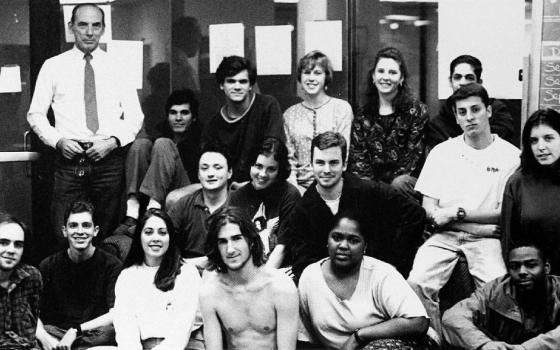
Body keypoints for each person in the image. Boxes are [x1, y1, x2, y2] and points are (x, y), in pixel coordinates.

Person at [407, 83, 520, 340]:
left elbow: (503, 211)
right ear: (456, 118)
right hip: (444, 238)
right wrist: (475, 226)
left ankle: (486, 344)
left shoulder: (511, 156)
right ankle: (434, 341)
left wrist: (456, 213)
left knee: (498, 286)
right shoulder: (442, 153)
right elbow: (430, 210)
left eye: (475, 109)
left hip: (486, 240)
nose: (470, 117)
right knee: (418, 282)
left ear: (489, 111)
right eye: (462, 112)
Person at [27, 3, 144, 244]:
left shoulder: (118, 66)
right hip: (71, 159)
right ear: (71, 28)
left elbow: (135, 115)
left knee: (107, 232)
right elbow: (35, 114)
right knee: (65, 230)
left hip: (108, 159)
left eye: (96, 26)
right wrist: (58, 141)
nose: (89, 32)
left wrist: (112, 142)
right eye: (83, 25)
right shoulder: (53, 66)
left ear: (102, 29)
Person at [285, 131, 426, 281]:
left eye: (333, 162)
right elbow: (303, 265)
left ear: (344, 164)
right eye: (320, 162)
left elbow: (415, 214)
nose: (326, 170)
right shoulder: (302, 210)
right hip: (331, 285)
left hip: (374, 279)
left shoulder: (369, 191)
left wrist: (391, 264)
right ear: (311, 164)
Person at [298, 212, 432, 350]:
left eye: (353, 240)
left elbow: (418, 322)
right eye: (337, 238)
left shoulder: (382, 274)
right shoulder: (311, 276)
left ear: (365, 246)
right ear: (327, 240)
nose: (343, 245)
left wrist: (359, 336)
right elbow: (305, 337)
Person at [200, 207, 298, 350]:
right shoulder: (210, 292)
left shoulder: (281, 287)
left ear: (251, 241)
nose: (230, 249)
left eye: (236, 238)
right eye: (222, 241)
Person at [114, 89, 202, 236]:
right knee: (140, 144)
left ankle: (152, 211)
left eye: (184, 113)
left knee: (163, 144)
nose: (178, 118)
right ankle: (132, 212)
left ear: (193, 117)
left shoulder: (200, 143)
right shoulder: (158, 139)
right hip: (152, 195)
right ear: (167, 116)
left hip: (183, 196)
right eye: (173, 113)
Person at [112, 208, 203, 349]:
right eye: (148, 232)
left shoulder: (187, 273)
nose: (155, 238)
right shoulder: (127, 276)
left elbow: (180, 334)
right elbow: (126, 332)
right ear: (139, 237)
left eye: (162, 232)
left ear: (170, 237)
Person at [36, 200, 121, 350]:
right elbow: (32, 310)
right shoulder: (48, 265)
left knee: (111, 333)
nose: (80, 231)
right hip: (57, 334)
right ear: (64, 231)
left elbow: (116, 313)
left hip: (93, 334)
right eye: (73, 225)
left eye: (86, 225)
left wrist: (76, 330)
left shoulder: (112, 265)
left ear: (95, 231)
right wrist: (45, 338)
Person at [443, 242, 560, 350]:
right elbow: (453, 317)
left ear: (546, 267)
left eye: (531, 265)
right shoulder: (494, 290)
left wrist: (527, 348)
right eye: (514, 267)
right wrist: (484, 344)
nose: (522, 272)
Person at [349, 47, 429, 200]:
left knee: (399, 183)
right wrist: (372, 189)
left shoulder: (417, 112)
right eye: (381, 71)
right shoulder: (362, 114)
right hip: (371, 189)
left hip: (403, 188)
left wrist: (384, 193)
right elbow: (359, 161)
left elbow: (410, 162)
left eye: (392, 73)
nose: (385, 77)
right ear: (373, 76)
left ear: (401, 78)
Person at [200, 55, 285, 188]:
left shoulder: (267, 106)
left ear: (250, 85)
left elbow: (273, 152)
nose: (237, 86)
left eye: (243, 81)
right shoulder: (213, 124)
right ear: (222, 85)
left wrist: (251, 184)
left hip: (263, 182)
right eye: (231, 81)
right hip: (227, 187)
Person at [501, 109, 560, 275]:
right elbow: (509, 243)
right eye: (534, 141)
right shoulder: (517, 183)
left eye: (548, 138)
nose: (541, 147)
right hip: (532, 282)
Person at [283, 50, 353, 189]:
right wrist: (295, 191)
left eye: (317, 73)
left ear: (326, 77)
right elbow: (288, 159)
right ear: (300, 78)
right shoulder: (289, 114)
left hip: (333, 184)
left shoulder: (341, 109)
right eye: (307, 73)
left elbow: (343, 154)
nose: (311, 78)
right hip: (299, 188)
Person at [230, 137, 301, 269]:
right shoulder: (237, 197)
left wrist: (262, 283)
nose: (262, 174)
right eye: (258, 166)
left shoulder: (290, 196)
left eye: (271, 169)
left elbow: (282, 249)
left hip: (280, 270)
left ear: (279, 170)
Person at [426, 54, 514, 150]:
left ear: (479, 82)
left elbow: (498, 144)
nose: (463, 82)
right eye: (457, 77)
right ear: (450, 82)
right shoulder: (437, 125)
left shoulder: (497, 111)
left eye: (469, 77)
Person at [167, 141, 231, 265]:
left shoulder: (238, 203)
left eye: (218, 168)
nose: (210, 174)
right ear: (198, 174)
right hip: (188, 274)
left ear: (229, 173)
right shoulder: (183, 205)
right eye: (204, 168)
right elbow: (166, 245)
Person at [0, 212, 42, 349]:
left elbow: (33, 325)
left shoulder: (31, 277)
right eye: (3, 243)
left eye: (18, 245)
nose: (11, 250)